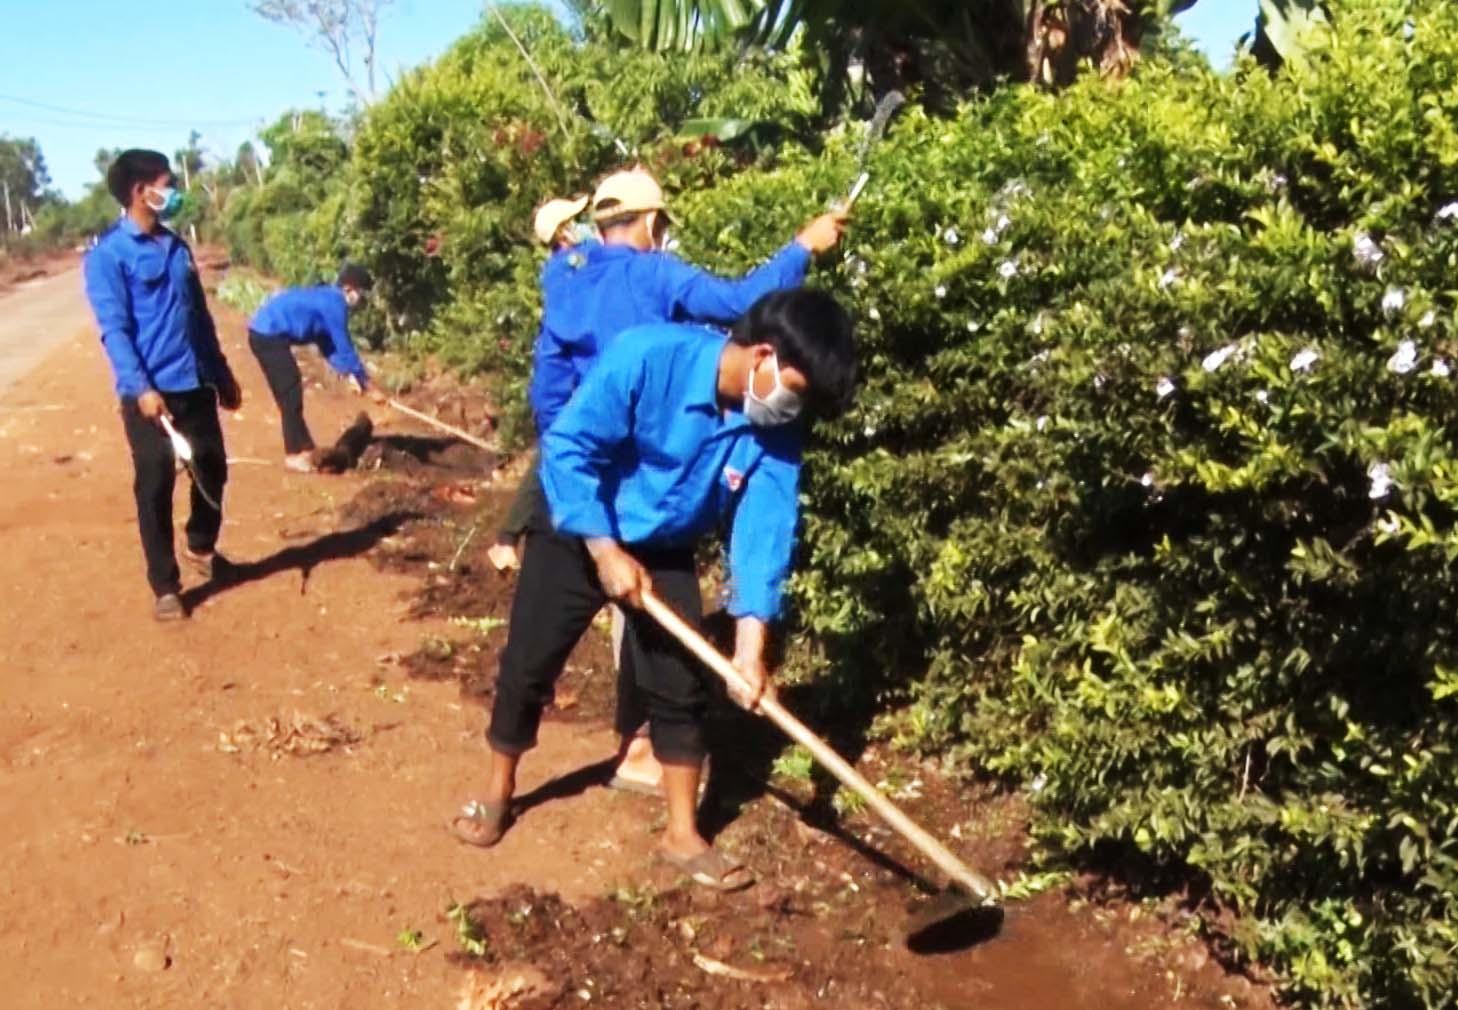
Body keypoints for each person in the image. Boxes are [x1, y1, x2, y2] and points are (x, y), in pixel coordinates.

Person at [450, 288, 858, 892]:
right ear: (764, 355)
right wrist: (603, 549)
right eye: (796, 391)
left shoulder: (775, 427)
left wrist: (750, 649)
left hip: (665, 544)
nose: (794, 410)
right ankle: (497, 790)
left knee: (682, 688)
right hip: (577, 527)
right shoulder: (647, 357)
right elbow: (566, 449)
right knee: (529, 665)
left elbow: (763, 531)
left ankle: (682, 834)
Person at [516, 167, 849, 797]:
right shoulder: (654, 273)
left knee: (624, 604)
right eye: (662, 225)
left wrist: (556, 436)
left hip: (578, 447)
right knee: (642, 612)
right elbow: (740, 307)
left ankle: (637, 741)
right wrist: (802, 248)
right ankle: (638, 741)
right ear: (651, 223)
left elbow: (550, 369)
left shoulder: (565, 273)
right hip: (649, 451)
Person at [84, 149, 243, 622]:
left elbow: (199, 318)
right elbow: (115, 329)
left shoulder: (177, 248)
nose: (172, 193)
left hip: (194, 383)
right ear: (140, 191)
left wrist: (221, 372)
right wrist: (139, 388)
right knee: (154, 484)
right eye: (166, 184)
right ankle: (165, 586)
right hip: (149, 395)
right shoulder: (108, 256)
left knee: (212, 467)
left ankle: (200, 544)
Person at [487, 195, 594, 574]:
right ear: (564, 234)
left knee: (550, 459)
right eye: (578, 221)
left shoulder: (567, 266)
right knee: (550, 458)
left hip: (561, 387)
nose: (588, 227)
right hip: (561, 391)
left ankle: (510, 538)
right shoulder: (570, 266)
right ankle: (507, 539)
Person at [246, 264, 384, 472]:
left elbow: (328, 344)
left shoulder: (329, 299)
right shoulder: (335, 304)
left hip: (266, 334)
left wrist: (349, 375)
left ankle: (305, 447)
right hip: (268, 335)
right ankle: (293, 455)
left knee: (290, 393)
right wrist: (367, 384)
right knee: (290, 392)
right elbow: (344, 346)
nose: (361, 301)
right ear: (349, 289)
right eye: (361, 294)